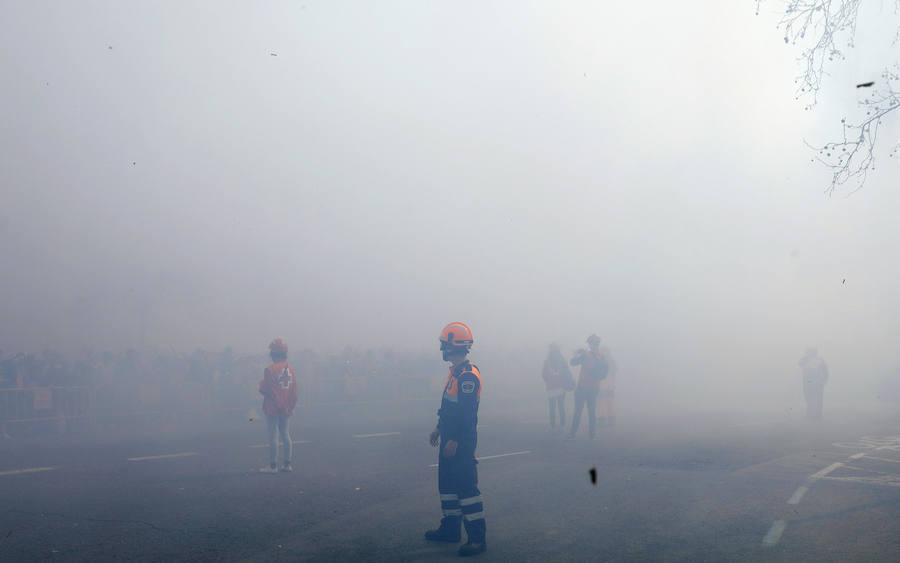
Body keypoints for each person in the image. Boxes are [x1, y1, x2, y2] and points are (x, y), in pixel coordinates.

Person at [425, 322, 486, 557]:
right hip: (449, 438)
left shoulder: (468, 376)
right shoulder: (456, 373)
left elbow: (467, 415)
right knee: (448, 487)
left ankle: (478, 539)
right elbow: (449, 408)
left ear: (454, 345)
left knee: (466, 489)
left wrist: (456, 441)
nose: (442, 349)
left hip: (461, 442)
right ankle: (450, 530)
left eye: (444, 344)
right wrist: (439, 429)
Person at [258, 338, 299, 473]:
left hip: (272, 407)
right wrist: (290, 406)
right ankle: (287, 464)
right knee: (286, 434)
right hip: (287, 406)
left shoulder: (270, 370)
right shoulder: (291, 370)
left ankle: (273, 465)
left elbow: (265, 389)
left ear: (274, 353)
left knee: (273, 435)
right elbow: (295, 392)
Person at [567, 334, 609, 439]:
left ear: (590, 343)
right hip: (594, 387)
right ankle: (592, 433)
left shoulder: (585, 355)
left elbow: (572, 362)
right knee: (592, 411)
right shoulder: (601, 355)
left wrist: (578, 353)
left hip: (582, 387)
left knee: (578, 411)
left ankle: (573, 432)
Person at [542, 343, 573, 430]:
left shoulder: (547, 361)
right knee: (561, 405)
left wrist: (549, 380)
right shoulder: (562, 360)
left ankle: (552, 424)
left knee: (552, 407)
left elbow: (543, 374)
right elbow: (567, 373)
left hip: (550, 387)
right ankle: (562, 423)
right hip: (561, 387)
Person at [799, 347, 828, 421]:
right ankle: (815, 415)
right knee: (814, 399)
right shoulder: (817, 359)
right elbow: (825, 372)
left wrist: (824, 380)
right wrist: (824, 381)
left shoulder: (811, 359)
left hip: (811, 382)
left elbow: (825, 372)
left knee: (811, 399)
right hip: (813, 382)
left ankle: (813, 415)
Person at [596, 342, 618, 428]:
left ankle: (603, 420)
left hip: (604, 385)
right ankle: (610, 419)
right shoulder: (611, 360)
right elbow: (615, 370)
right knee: (608, 402)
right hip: (609, 385)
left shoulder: (600, 360)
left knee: (602, 402)